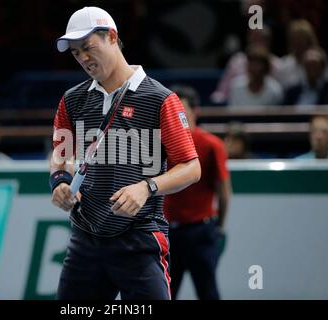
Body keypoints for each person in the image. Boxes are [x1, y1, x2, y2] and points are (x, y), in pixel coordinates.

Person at [49, 7, 201, 300]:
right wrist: (59, 181)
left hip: (140, 239)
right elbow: (61, 153)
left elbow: (191, 168)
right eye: (76, 53)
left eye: (88, 48)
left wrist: (147, 188)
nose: (82, 58)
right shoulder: (72, 100)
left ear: (112, 37)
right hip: (86, 239)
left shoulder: (161, 99)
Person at [165, 85, 232, 300]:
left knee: (207, 292)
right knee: (164, 293)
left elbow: (224, 191)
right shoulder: (159, 144)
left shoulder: (212, 145)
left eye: (182, 110)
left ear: (196, 112)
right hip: (168, 233)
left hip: (200, 232)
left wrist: (218, 228)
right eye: (173, 111)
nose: (177, 116)